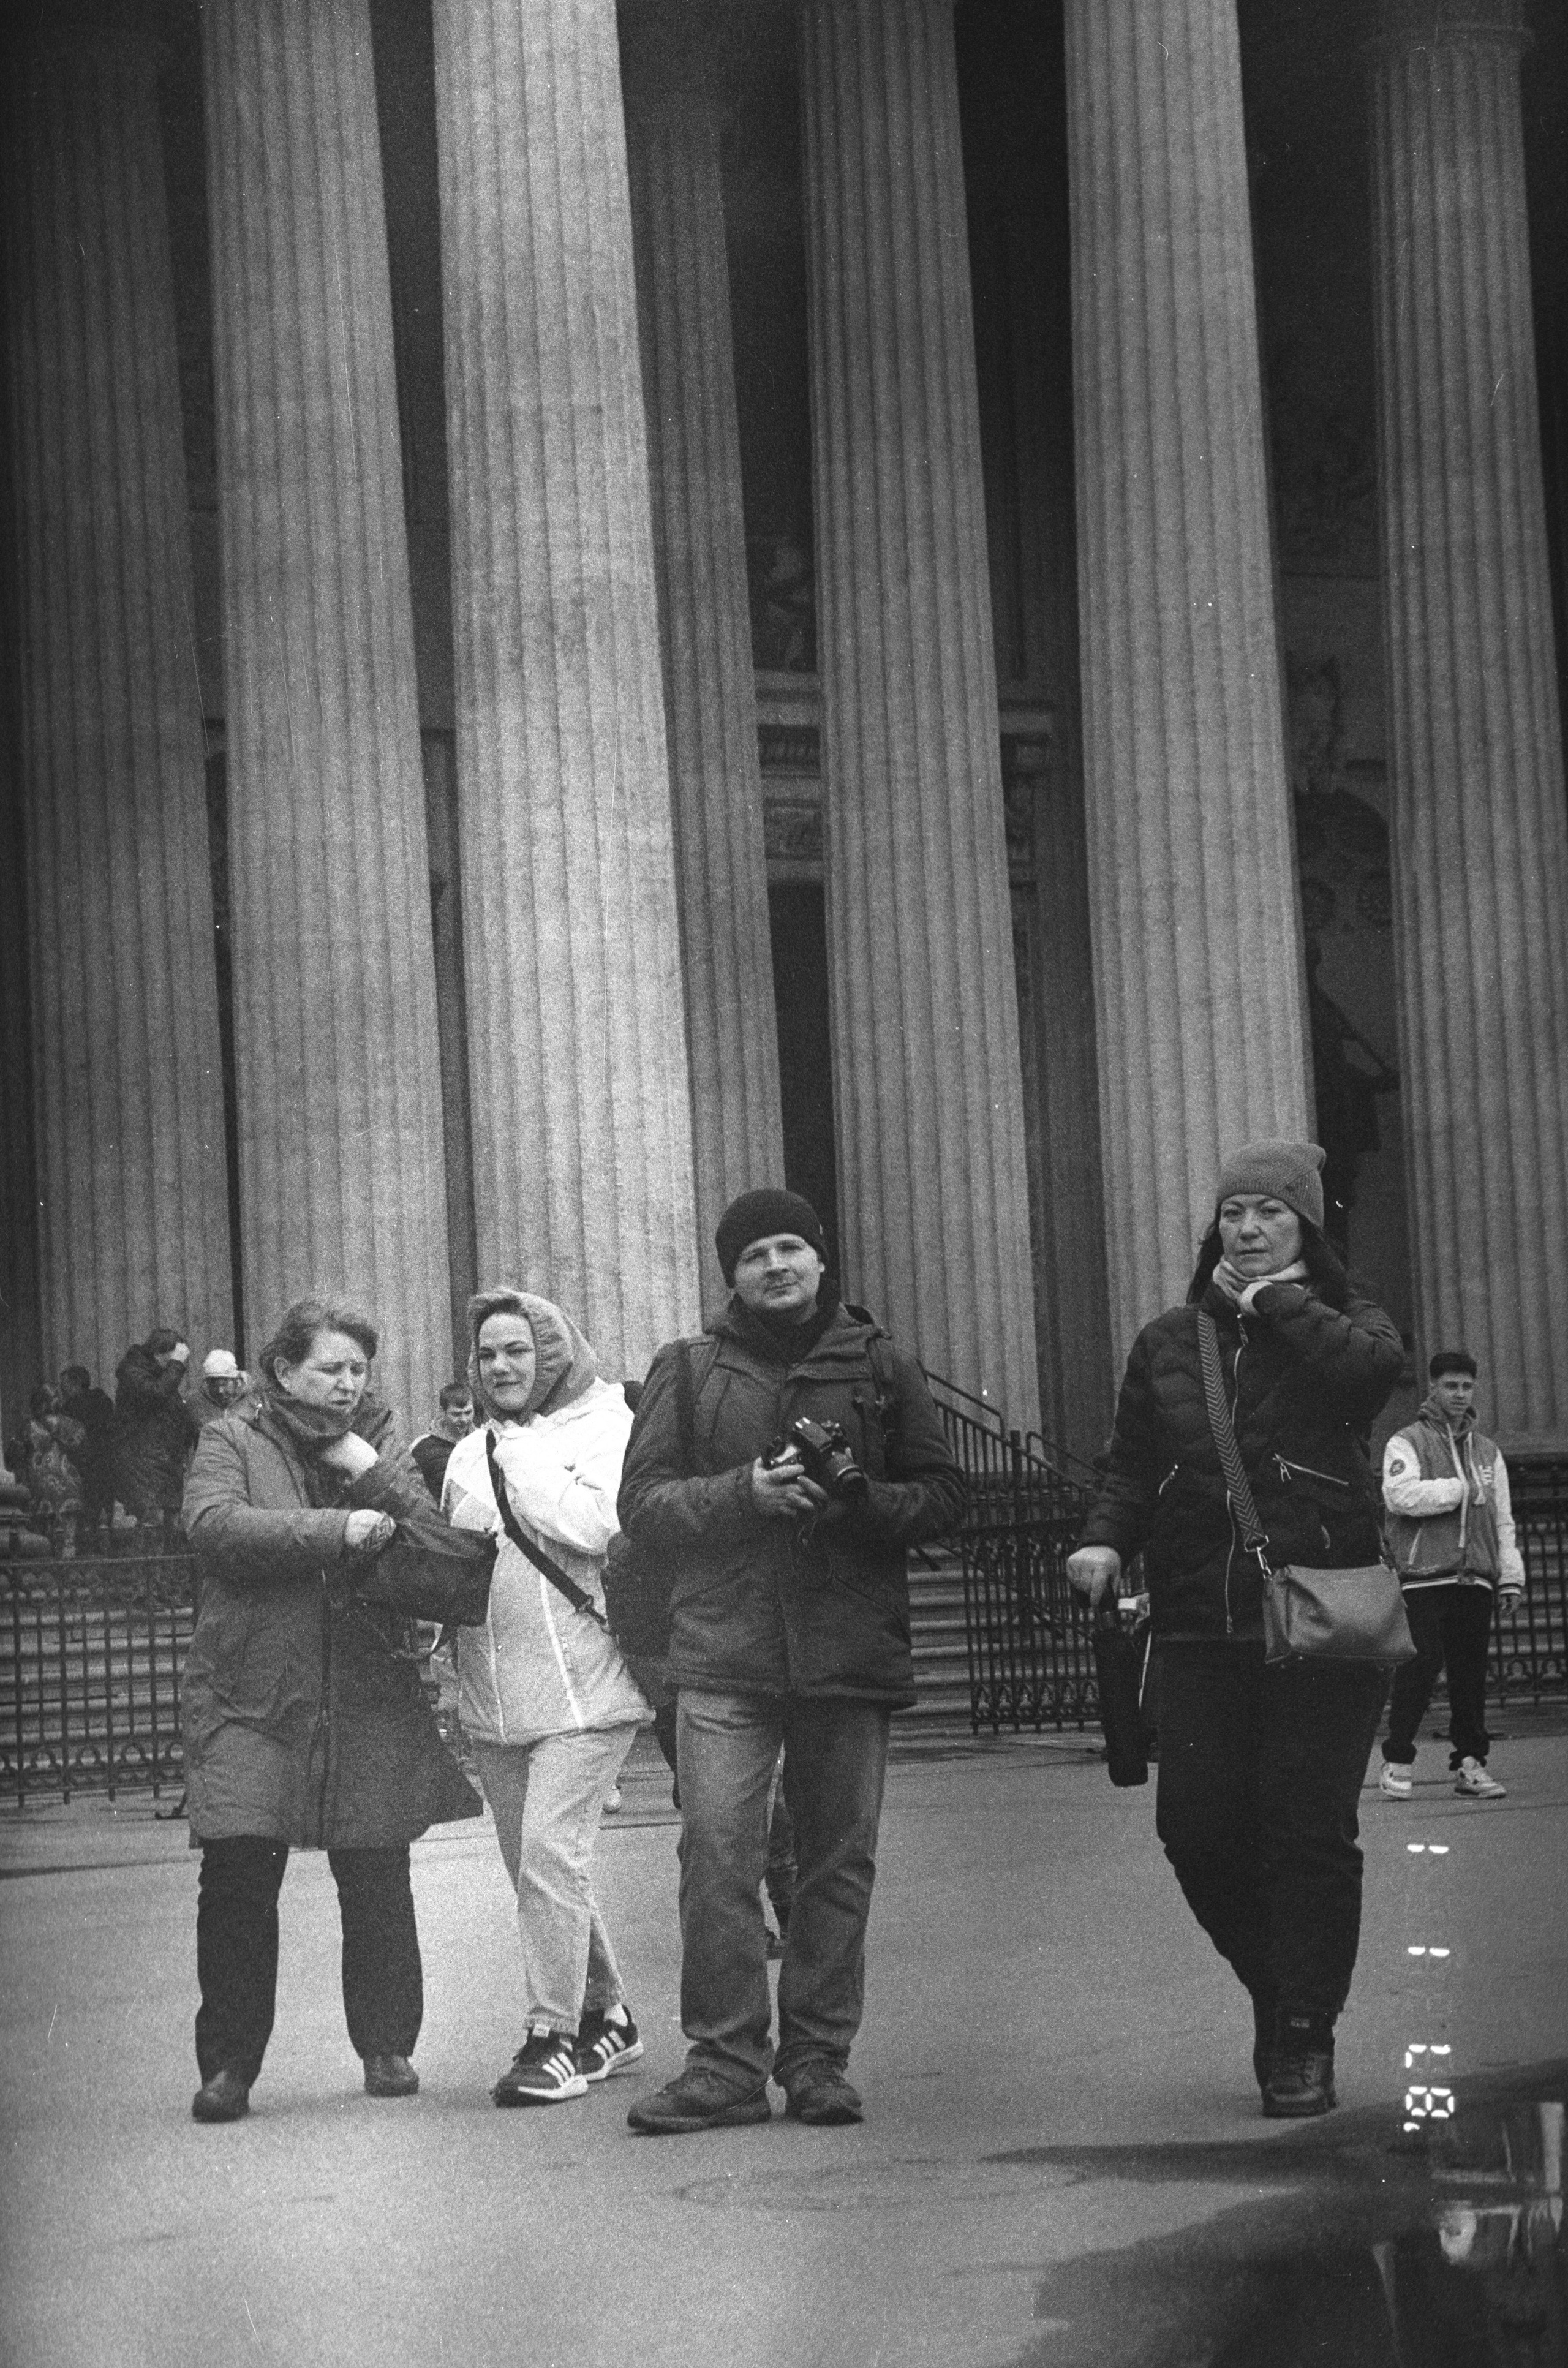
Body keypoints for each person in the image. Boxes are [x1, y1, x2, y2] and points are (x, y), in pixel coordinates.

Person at [617, 1186, 965, 2135]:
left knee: (836, 1860)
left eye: (791, 1249)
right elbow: (641, 1505)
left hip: (847, 1645)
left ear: (820, 1260)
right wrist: (744, 1494)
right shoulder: (687, 1369)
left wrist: (858, 1503)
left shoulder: (883, 1362)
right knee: (718, 1855)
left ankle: (817, 2059)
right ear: (731, 1273)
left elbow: (942, 1498)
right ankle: (726, 2063)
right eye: (754, 1254)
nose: (775, 1266)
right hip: (724, 1648)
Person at [1068, 1141, 1403, 2121]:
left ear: (1307, 1226)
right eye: (1235, 1214)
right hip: (1200, 1618)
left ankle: (1303, 2032)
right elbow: (1131, 1461)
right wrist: (1101, 1540)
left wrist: (1274, 1305)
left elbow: (1367, 1379)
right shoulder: (1172, 1339)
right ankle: (1285, 1989)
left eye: (1270, 1214)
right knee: (1197, 1829)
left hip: (1323, 1618)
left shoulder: (1348, 1320)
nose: (1247, 1230)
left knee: (1306, 1830)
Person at [179, 1295, 481, 2124]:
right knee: (239, 1868)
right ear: (284, 1370)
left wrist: (370, 1469)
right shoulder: (230, 1436)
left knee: (377, 1867)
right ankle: (230, 2064)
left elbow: (434, 1540)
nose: (348, 1384)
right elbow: (214, 1525)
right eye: (331, 1368)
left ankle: (388, 2043)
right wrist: (337, 1528)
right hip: (255, 1688)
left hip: (366, 1683)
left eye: (358, 1370)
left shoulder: (379, 1440)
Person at [442, 1288, 649, 2105]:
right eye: (488, 1352)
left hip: (587, 1684)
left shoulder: (609, 1428)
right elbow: (459, 1558)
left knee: (551, 1859)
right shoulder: (467, 1452)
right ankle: (611, 2018)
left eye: (518, 1350)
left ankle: (550, 2036)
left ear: (554, 1355)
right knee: (533, 1868)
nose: (500, 1366)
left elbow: (599, 1527)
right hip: (492, 1693)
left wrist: (522, 1456)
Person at [1379, 1351, 1525, 1803]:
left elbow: (1503, 1517)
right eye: (1451, 1386)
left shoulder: (1488, 1451)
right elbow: (1399, 1495)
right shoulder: (1407, 1441)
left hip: (1475, 1578)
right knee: (1419, 1668)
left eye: (1466, 1387)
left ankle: (1470, 1763)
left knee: (1469, 1674)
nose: (1459, 1395)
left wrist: (1510, 1575)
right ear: (1433, 1388)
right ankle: (1398, 1759)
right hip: (1425, 1575)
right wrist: (1457, 1490)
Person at [115, 1327, 200, 1529]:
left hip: (165, 1459)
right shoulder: (133, 1372)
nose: (174, 1364)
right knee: (154, 1520)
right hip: (143, 1459)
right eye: (172, 1357)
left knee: (172, 1521)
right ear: (159, 1353)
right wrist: (176, 1365)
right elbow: (156, 1395)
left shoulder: (160, 1376)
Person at [24, 1385, 88, 1546]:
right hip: (64, 1474)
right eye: (55, 1398)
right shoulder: (65, 1422)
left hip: (41, 1475)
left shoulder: (31, 1425)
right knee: (67, 1522)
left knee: (46, 1522)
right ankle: (68, 1545)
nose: (58, 1401)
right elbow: (80, 1439)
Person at [59, 1365, 118, 1529]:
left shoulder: (70, 1408)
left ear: (76, 1383)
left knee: (87, 1512)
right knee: (104, 1513)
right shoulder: (103, 1401)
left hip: (82, 1467)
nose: (63, 1393)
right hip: (105, 1463)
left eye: (65, 1387)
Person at [410, 1381, 475, 1503]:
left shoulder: (483, 1442)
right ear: (442, 1412)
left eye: (468, 1412)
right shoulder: (422, 1447)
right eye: (456, 1414)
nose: (464, 1419)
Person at [195, 1348, 249, 1427]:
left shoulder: (252, 1400)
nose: (220, 1391)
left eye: (225, 1384)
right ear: (207, 1383)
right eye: (214, 1385)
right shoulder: (196, 1405)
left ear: (236, 1380)